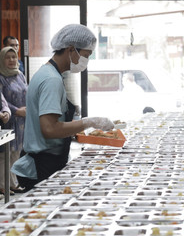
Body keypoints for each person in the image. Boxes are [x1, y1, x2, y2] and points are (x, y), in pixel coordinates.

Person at [11, 24, 113, 190]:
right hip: (43, 165)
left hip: (45, 159)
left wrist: (74, 132)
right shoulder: (52, 80)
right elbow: (49, 129)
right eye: (85, 55)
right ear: (71, 50)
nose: (85, 61)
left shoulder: (47, 73)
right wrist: (89, 122)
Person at [0, 46, 27, 195]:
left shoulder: (20, 74)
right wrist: (16, 111)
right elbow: (0, 99)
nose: (12, 60)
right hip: (8, 119)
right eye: (8, 57)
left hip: (22, 121)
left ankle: (13, 183)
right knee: (4, 154)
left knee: (16, 152)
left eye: (14, 57)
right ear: (1, 59)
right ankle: (3, 185)